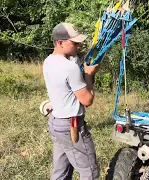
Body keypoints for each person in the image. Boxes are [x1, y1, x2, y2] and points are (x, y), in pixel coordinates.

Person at [43, 22, 100, 180]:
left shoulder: (48, 61)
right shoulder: (70, 68)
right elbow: (87, 100)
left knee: (61, 171)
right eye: (74, 43)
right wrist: (88, 75)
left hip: (56, 123)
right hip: (71, 126)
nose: (79, 46)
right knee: (90, 171)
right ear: (60, 43)